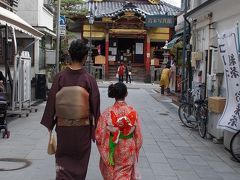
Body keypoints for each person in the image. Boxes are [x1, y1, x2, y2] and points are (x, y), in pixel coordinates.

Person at [41, 39, 100, 180]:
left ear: (69, 54)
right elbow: (95, 106)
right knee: (80, 165)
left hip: (64, 129)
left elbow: (51, 103)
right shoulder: (89, 79)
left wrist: (50, 125)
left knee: (63, 164)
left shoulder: (59, 77)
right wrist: (97, 130)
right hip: (82, 131)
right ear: (85, 57)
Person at [96, 82, 143, 180]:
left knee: (113, 172)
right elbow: (138, 136)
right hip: (128, 147)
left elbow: (99, 135)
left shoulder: (107, 112)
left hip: (113, 147)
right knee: (125, 173)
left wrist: (105, 148)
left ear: (114, 95)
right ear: (126, 94)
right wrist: (136, 147)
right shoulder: (132, 111)